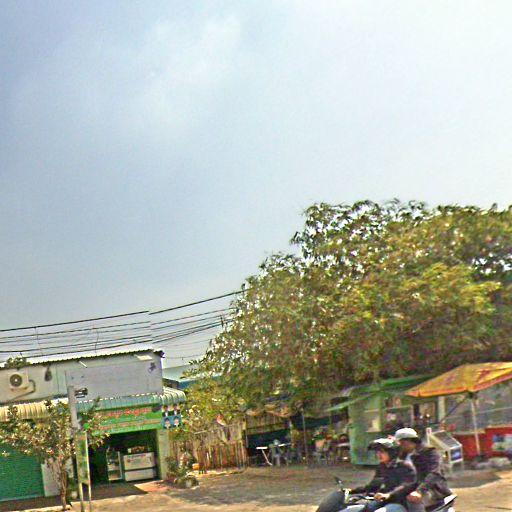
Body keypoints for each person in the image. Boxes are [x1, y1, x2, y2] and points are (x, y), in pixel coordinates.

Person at [346, 438, 417, 512]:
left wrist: (389, 494)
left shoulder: (404, 466)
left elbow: (406, 486)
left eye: (382, 452)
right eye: (377, 452)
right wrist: (352, 491)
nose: (378, 455)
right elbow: (373, 484)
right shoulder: (382, 467)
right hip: (382, 501)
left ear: (392, 452)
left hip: (399, 503)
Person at [394, 428, 451, 512]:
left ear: (409, 441)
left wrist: (420, 491)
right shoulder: (403, 455)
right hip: (410, 487)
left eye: (402, 443)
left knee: (413, 500)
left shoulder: (429, 452)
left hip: (431, 488)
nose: (401, 446)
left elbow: (434, 473)